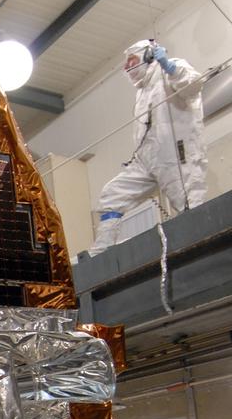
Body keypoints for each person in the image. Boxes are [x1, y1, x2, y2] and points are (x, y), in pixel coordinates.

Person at [88, 39, 207, 256]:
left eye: (132, 61)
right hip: (146, 160)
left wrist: (170, 67)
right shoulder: (142, 92)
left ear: (149, 55)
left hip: (175, 155)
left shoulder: (170, 70)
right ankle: (102, 252)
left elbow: (194, 85)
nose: (128, 68)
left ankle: (201, 253)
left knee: (189, 205)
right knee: (111, 195)